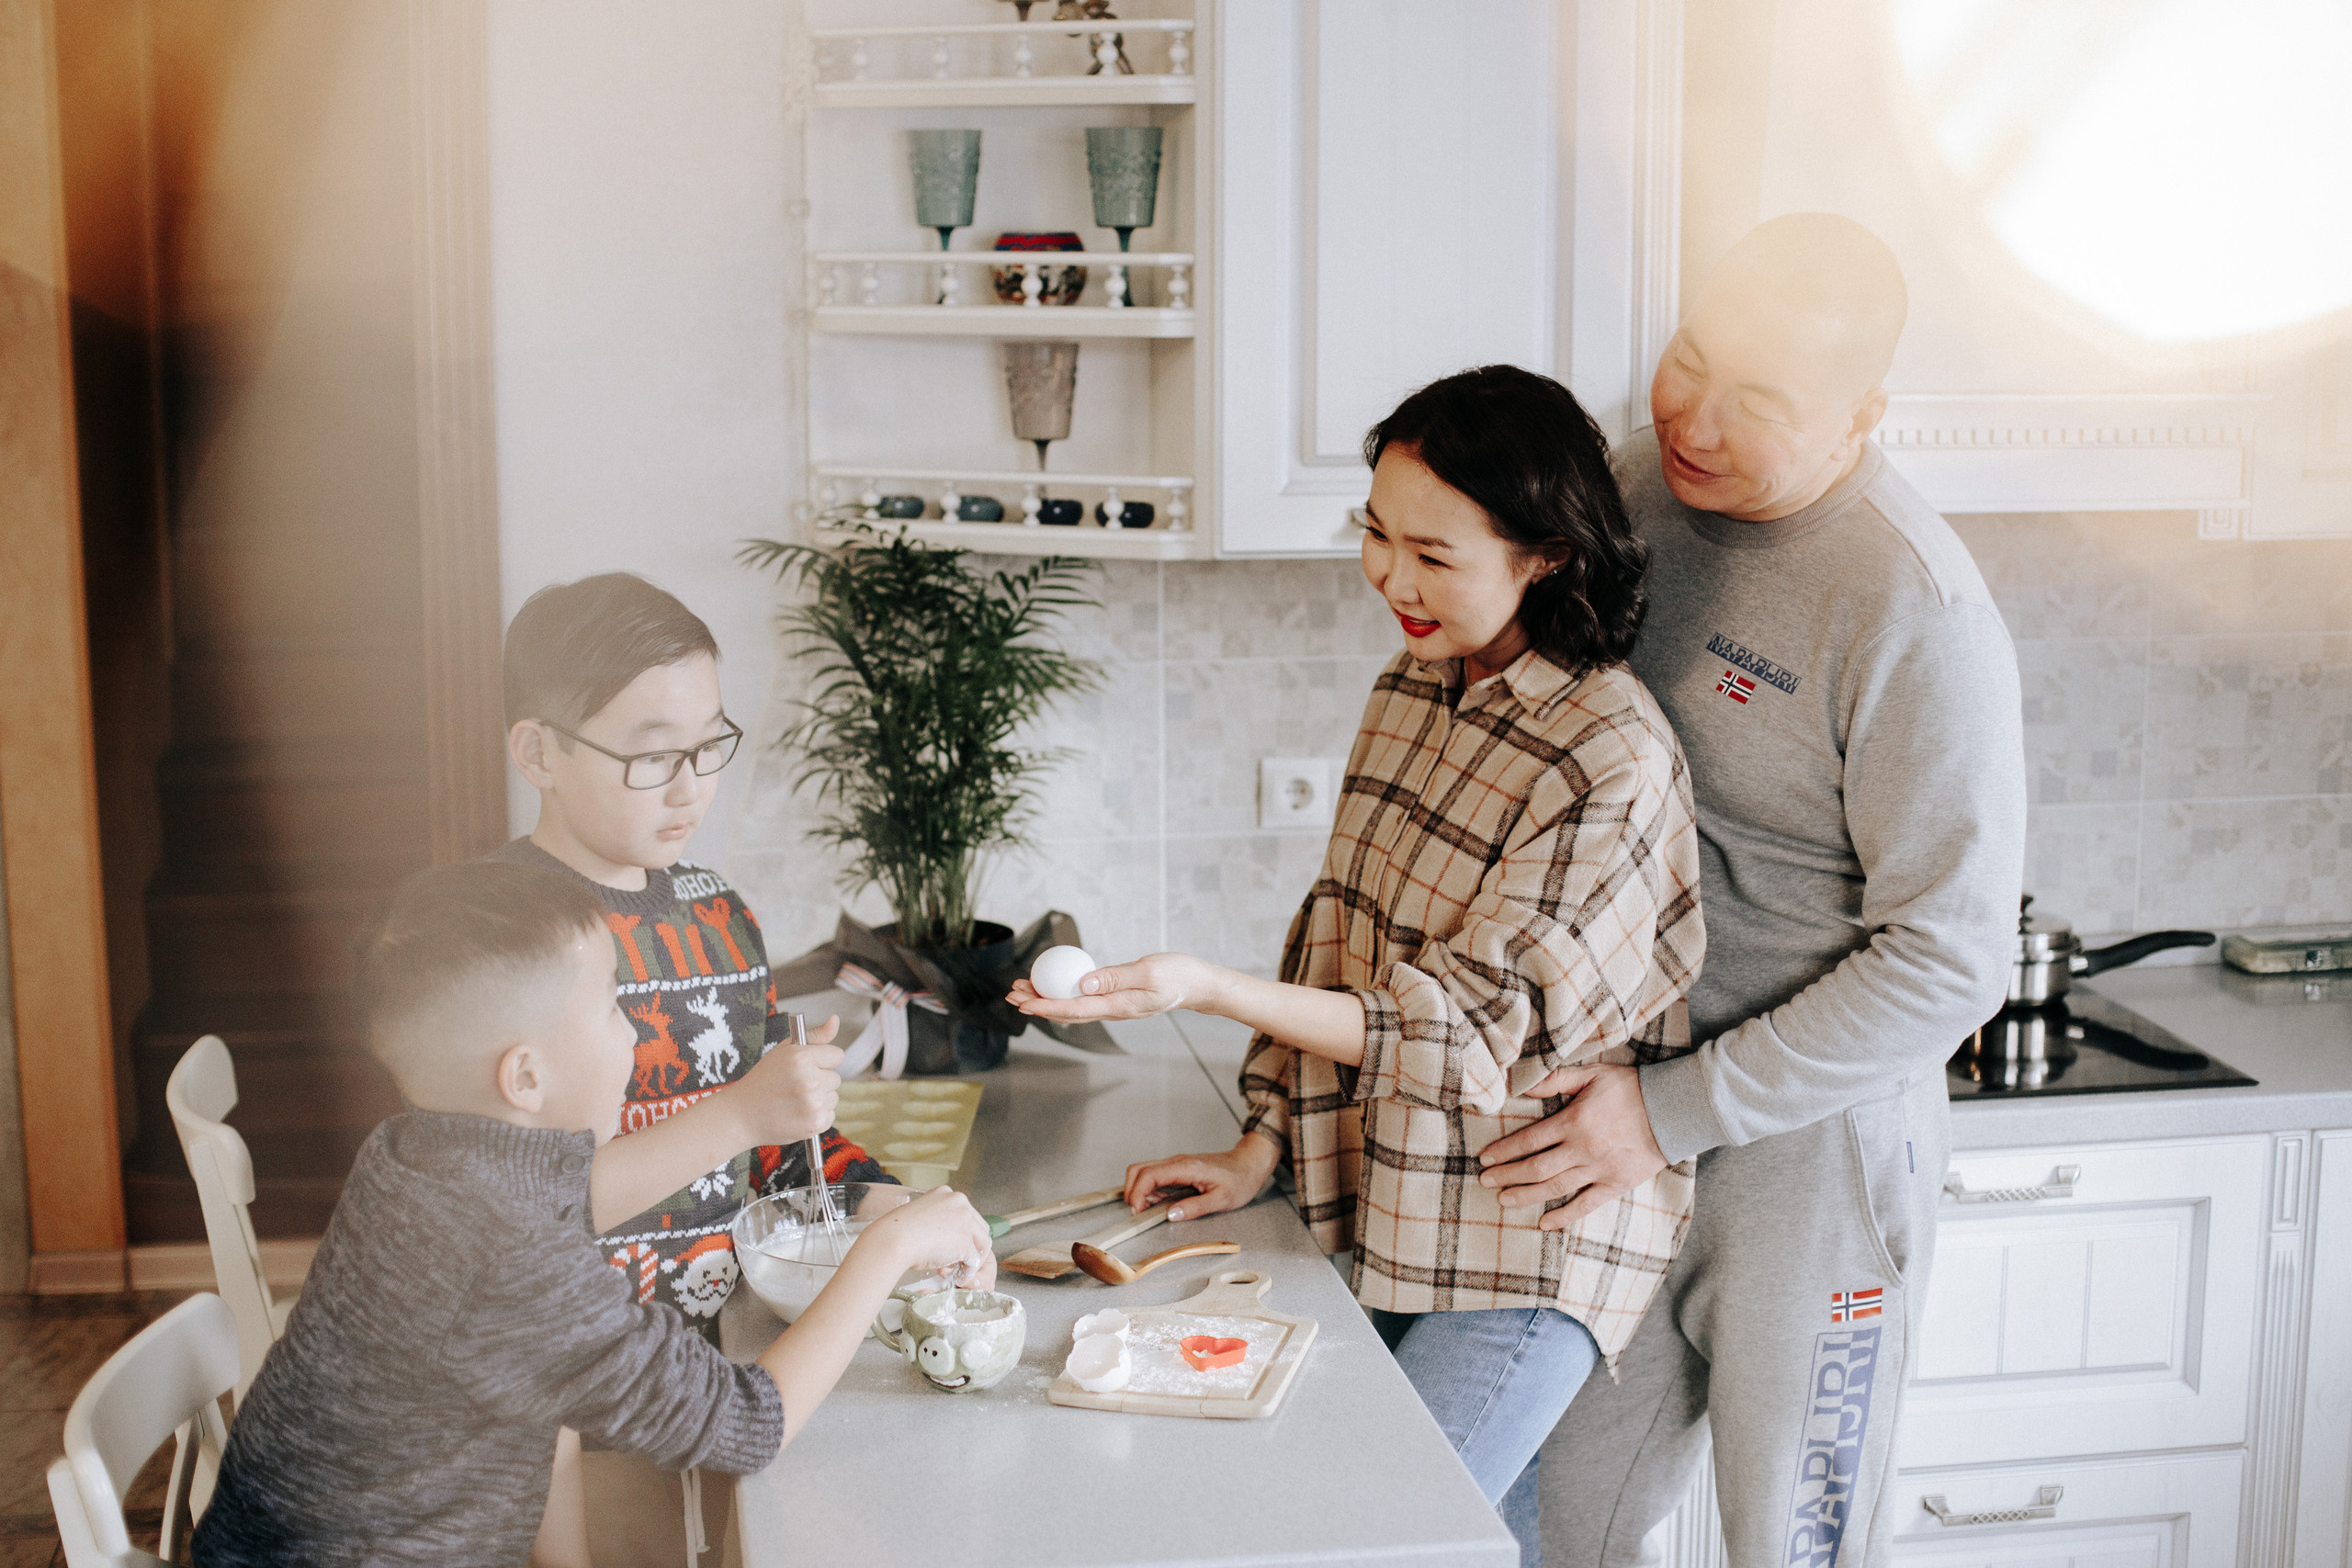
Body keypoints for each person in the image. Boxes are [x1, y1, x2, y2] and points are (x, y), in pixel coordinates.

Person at [1013, 365, 1705, 1567]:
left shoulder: (1611, 755)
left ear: (1546, 551)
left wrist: (1210, 985)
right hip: (1383, 1205)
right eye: (1375, 534)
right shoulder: (1411, 689)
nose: (1391, 576)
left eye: (1433, 553)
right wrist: (1262, 1141)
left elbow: (1466, 1031)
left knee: (1372, 1542)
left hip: (1524, 1241)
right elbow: (1340, 926)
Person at [1475, 215, 2027, 1566]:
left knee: (1795, 1544)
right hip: (1612, 1113)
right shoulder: (1641, 486)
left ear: (1861, 415)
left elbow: (1952, 961)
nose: (1695, 418)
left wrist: (1666, 1113)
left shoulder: (1914, 611)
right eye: (1688, 358)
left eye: (1759, 400)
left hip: (1806, 1152)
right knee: (1556, 1529)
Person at [191, 860, 995, 1568]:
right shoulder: (513, 1258)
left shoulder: (413, 1154)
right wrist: (887, 1245)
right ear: (525, 1076)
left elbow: (563, 1261)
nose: (639, 1028)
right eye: (613, 1005)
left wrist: (748, 1118)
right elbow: (746, 1426)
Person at [492, 572, 899, 1562]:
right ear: (537, 751)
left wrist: (881, 1200)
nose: (690, 788)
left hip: (720, 1365)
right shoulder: (498, 940)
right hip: (577, 1418)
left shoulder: (718, 913)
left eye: (707, 745)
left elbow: (774, 1136)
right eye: (648, 756)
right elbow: (500, 1216)